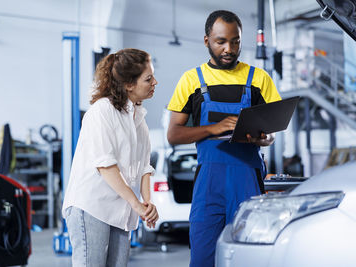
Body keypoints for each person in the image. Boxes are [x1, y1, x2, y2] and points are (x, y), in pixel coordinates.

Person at [167, 10, 281, 267]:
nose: (229, 48)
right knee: (203, 256)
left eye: (235, 41)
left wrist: (262, 139)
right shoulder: (191, 80)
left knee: (248, 256)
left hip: (248, 180)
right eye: (221, 42)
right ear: (206, 40)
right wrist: (213, 128)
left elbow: (271, 134)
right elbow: (173, 135)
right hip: (209, 183)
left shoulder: (259, 79)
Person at [62, 48, 159, 267]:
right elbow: (105, 166)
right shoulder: (101, 112)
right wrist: (136, 204)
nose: (155, 82)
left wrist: (147, 203)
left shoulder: (139, 119)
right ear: (129, 84)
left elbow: (144, 167)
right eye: (148, 78)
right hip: (91, 206)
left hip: (121, 209)